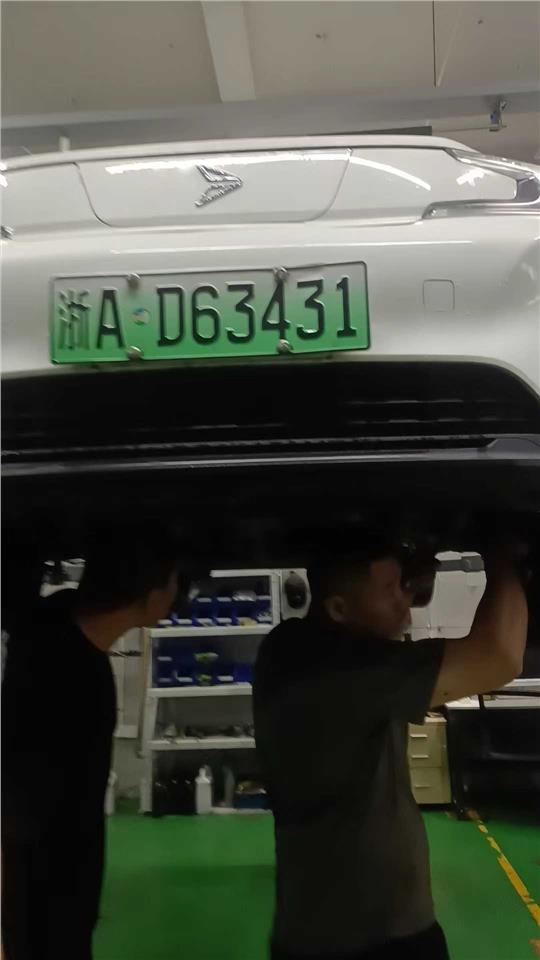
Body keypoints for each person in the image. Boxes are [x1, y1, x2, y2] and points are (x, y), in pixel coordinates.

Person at [253, 529, 528, 960]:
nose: (405, 600)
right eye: (389, 590)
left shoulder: (294, 648)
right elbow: (500, 656)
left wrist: (399, 582)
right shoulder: (336, 670)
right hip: (366, 941)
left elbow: (392, 608)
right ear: (339, 609)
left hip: (332, 930)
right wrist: (501, 554)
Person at [1, 522, 184, 960]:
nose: (179, 594)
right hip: (43, 902)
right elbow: (18, 809)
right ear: (150, 595)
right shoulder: (61, 672)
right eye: (175, 582)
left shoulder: (60, 636)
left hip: (58, 888)